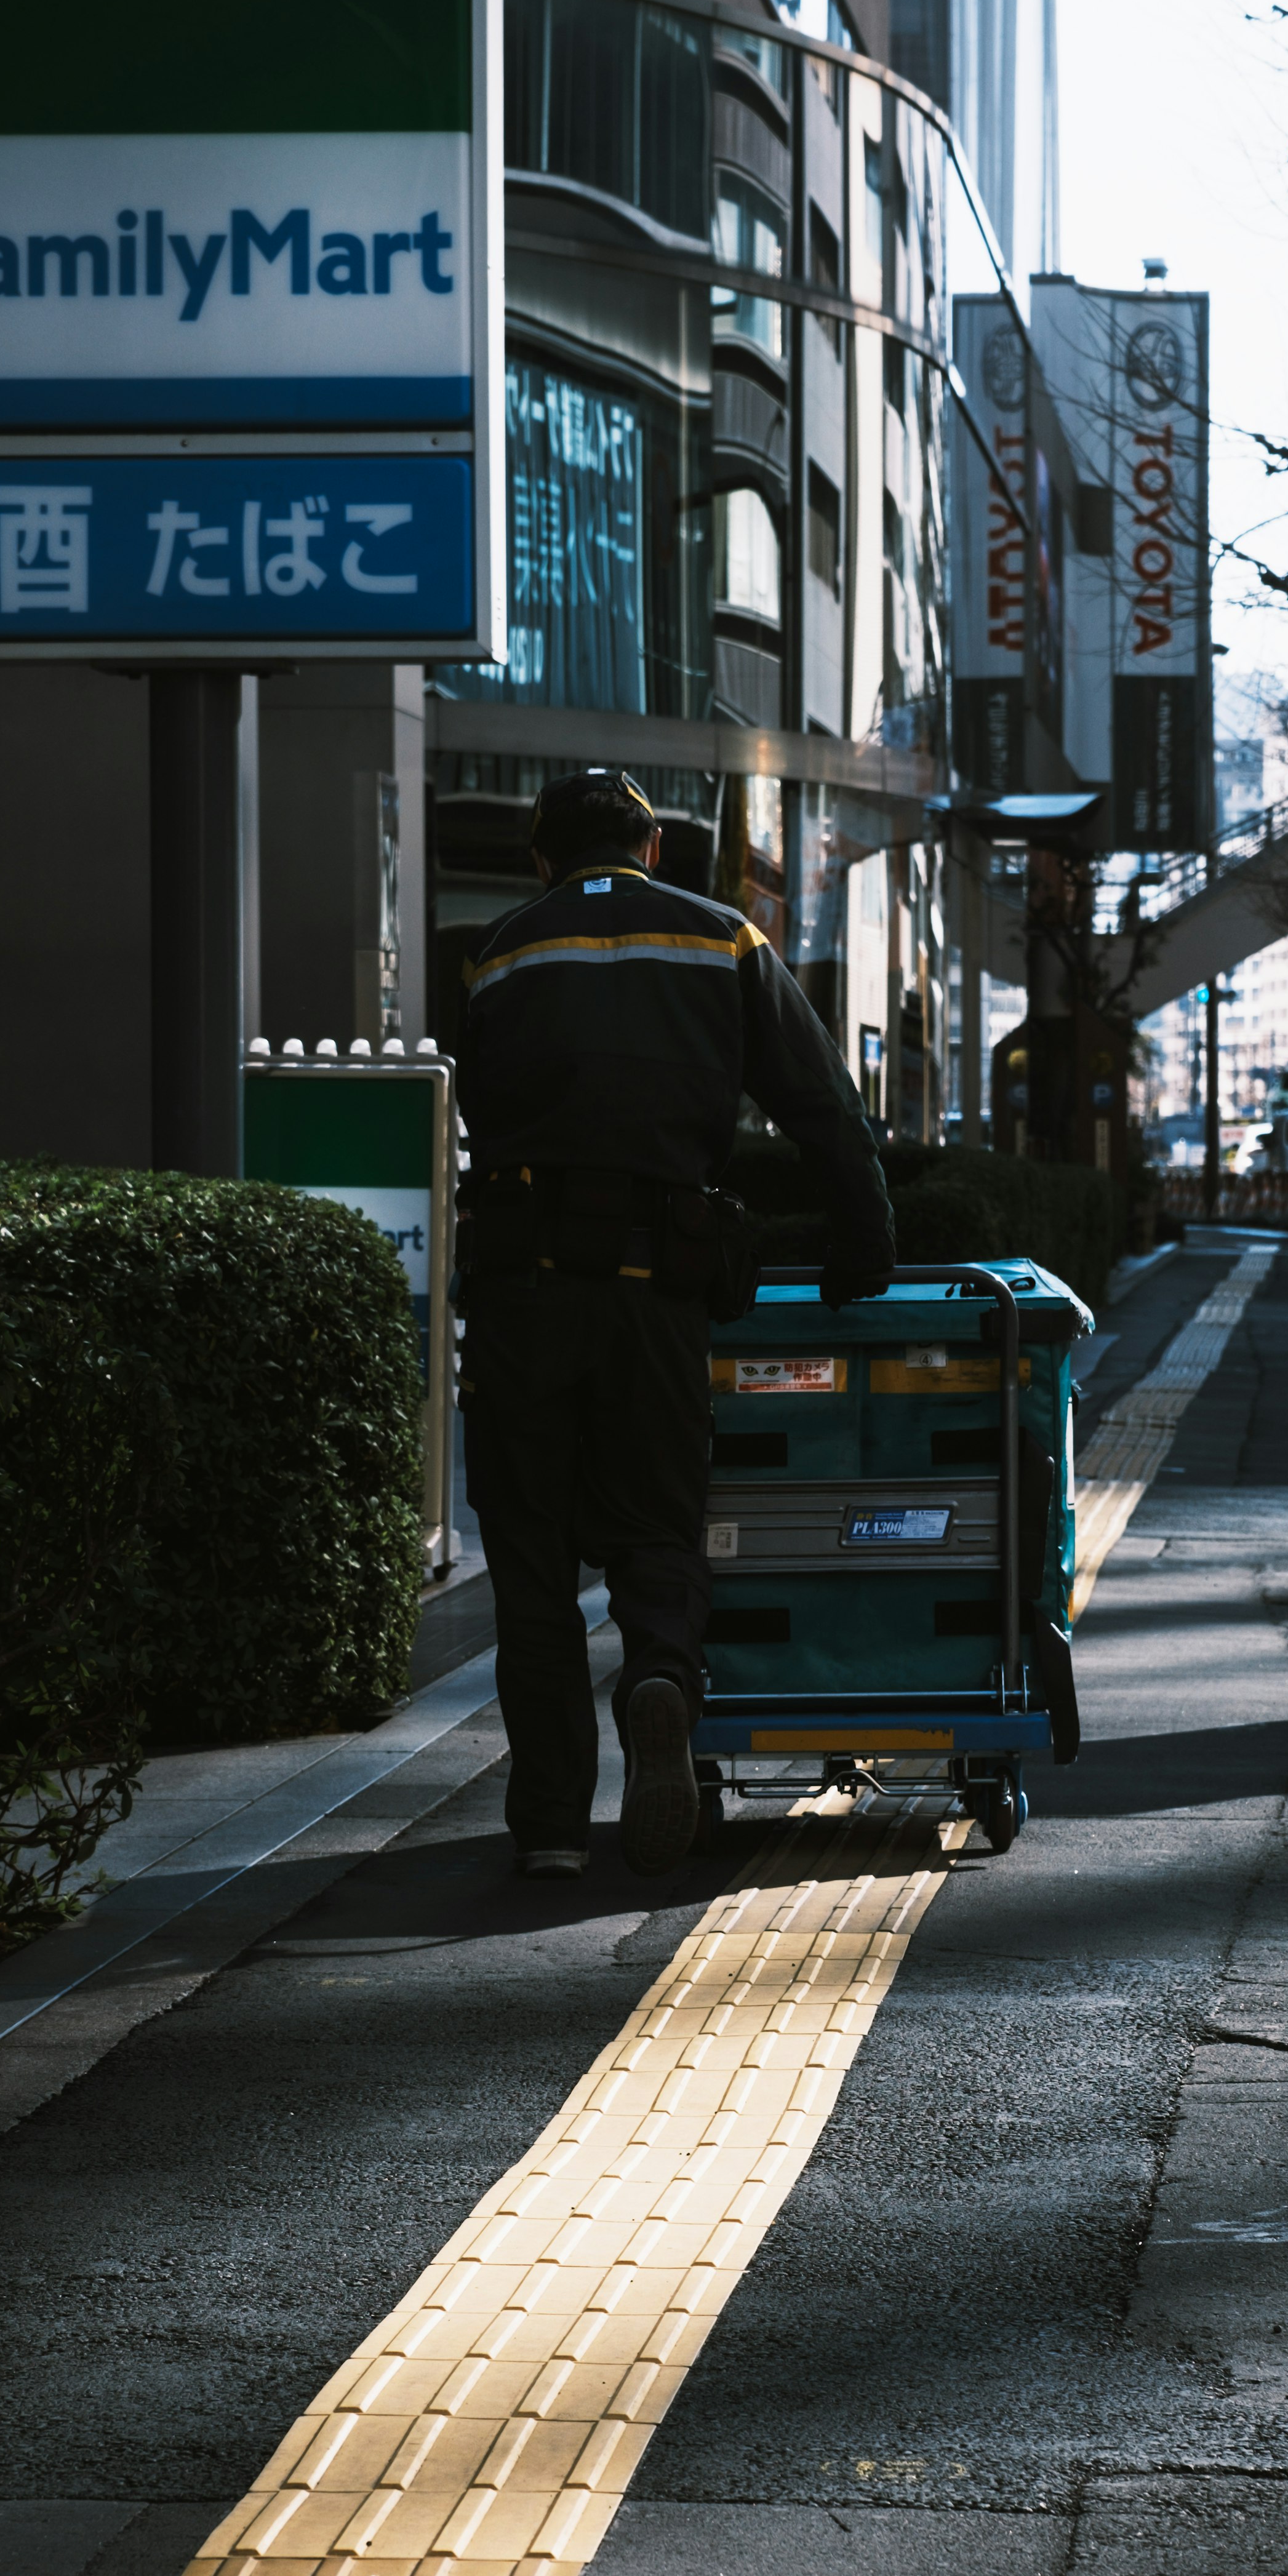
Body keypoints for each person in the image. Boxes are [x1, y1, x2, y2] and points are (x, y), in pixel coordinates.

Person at [455, 768, 895, 1879]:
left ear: (544, 859)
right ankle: (660, 1679)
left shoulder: (501, 949)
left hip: (523, 1295)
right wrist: (862, 1240)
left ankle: (551, 1824)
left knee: (532, 1561)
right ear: (652, 852)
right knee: (659, 1520)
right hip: (657, 1288)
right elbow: (818, 1103)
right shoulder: (727, 942)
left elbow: (479, 1107)